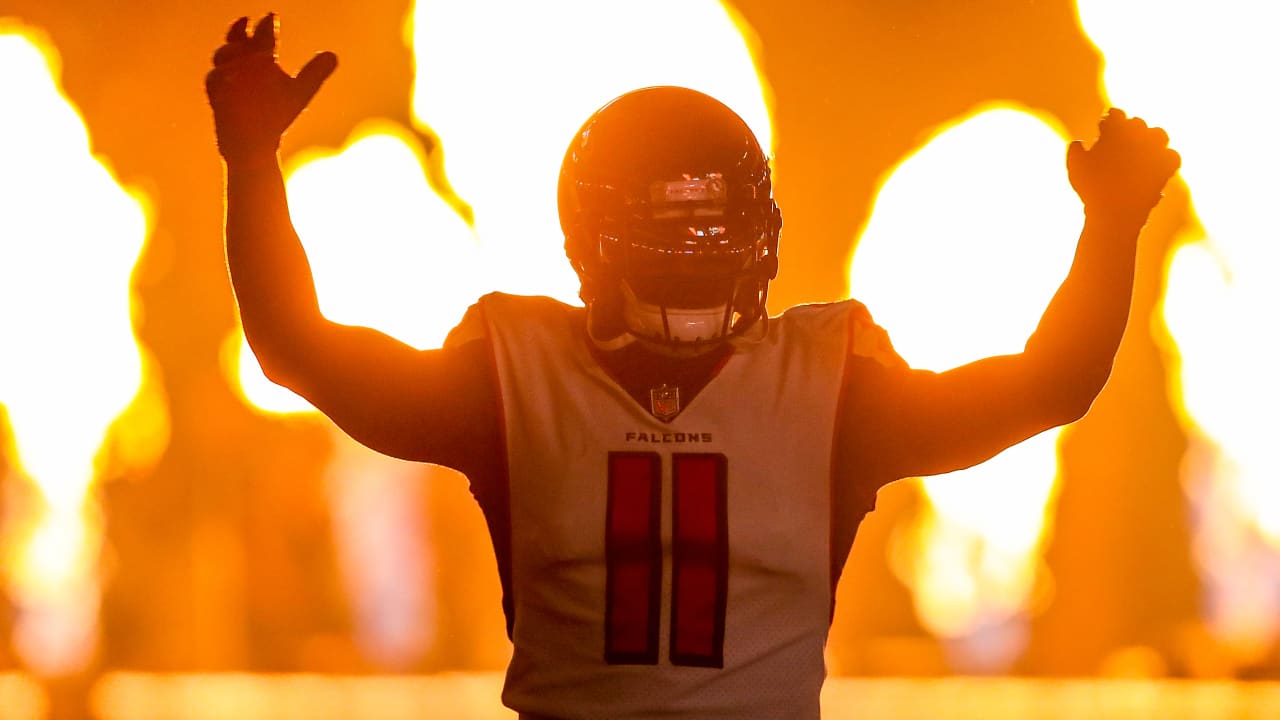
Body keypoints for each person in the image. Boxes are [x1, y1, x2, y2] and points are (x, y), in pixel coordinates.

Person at [205, 14, 1180, 720]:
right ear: (589, 244)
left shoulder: (825, 384)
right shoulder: (515, 377)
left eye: (714, 232)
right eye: (663, 234)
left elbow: (1051, 384)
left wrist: (1110, 230)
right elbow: (298, 350)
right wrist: (251, 166)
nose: (692, 256)